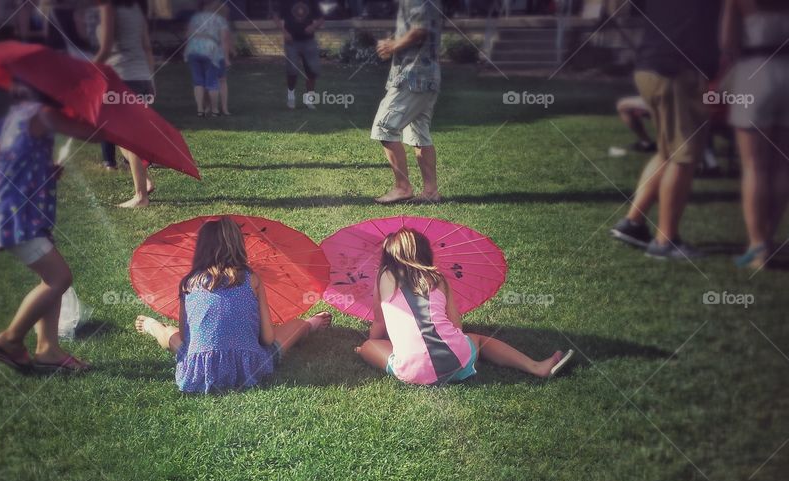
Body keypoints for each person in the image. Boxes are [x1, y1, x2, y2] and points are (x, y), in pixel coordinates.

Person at [0, 81, 106, 374]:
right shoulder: (45, 114)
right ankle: (8, 340)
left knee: (50, 279)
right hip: (19, 215)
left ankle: (48, 348)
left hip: (7, 211)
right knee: (59, 278)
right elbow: (89, 132)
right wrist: (104, 109)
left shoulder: (16, 116)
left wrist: (41, 171)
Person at [134, 217, 332, 393]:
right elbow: (268, 337)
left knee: (171, 333)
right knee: (294, 325)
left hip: (198, 372)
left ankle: (154, 326)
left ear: (201, 248)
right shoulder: (251, 279)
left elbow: (186, 338)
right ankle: (310, 324)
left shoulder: (188, 283)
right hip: (249, 368)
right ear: (239, 246)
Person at [356, 229, 574, 384]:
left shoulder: (382, 277)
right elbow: (456, 326)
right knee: (478, 340)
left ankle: (375, 350)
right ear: (425, 254)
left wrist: (374, 341)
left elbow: (378, 322)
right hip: (456, 361)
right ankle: (537, 367)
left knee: (367, 347)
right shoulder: (438, 278)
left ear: (387, 256)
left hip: (412, 373)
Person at [609, 0, 723, 260]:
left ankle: (633, 223)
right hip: (677, 71)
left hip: (651, 67)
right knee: (685, 155)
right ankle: (665, 241)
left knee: (667, 153)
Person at [721, 0, 789, 269]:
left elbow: (727, 41)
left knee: (754, 167)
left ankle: (757, 247)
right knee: (782, 166)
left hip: (755, 72)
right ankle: (768, 239)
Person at [370, 0, 443, 205]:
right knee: (420, 132)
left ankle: (403, 188)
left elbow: (420, 30)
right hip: (426, 77)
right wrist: (394, 43)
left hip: (413, 76)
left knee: (384, 127)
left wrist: (393, 45)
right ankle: (431, 191)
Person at [94, 0, 157, 206]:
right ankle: (145, 181)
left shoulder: (108, 8)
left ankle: (141, 197)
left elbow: (104, 49)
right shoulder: (136, 10)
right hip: (140, 76)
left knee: (125, 136)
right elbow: (147, 47)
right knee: (117, 133)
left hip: (121, 76)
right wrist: (151, 80)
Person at [272, 0, 324, 110]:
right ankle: (291, 96)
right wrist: (284, 32)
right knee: (292, 70)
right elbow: (276, 17)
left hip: (309, 41)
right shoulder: (285, 2)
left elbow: (321, 18)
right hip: (291, 41)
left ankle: (309, 100)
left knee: (312, 70)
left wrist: (313, 26)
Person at [184, 0, 232, 117]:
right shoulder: (219, 20)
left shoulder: (195, 18)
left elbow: (187, 35)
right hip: (210, 51)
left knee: (198, 82)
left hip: (193, 50)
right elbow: (224, 40)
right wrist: (226, 58)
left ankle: (200, 110)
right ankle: (215, 110)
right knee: (212, 82)